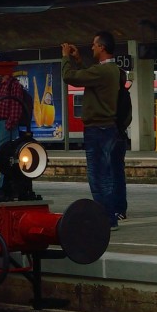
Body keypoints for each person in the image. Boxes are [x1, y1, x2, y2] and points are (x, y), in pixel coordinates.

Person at [62, 31, 127, 230]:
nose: (92, 48)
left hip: (97, 130)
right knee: (107, 173)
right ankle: (110, 214)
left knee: (98, 177)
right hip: (106, 128)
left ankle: (107, 218)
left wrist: (65, 57)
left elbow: (69, 77)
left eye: (94, 45)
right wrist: (79, 61)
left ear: (102, 47)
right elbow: (89, 78)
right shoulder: (110, 70)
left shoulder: (103, 71)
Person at [0, 70, 28, 199]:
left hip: (7, 124)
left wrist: (10, 123)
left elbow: (16, 105)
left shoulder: (14, 85)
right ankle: (3, 188)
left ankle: (4, 188)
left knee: (6, 157)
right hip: (0, 123)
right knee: (1, 157)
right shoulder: (0, 84)